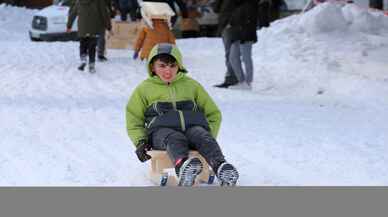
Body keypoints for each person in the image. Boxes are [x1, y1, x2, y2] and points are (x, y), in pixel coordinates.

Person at [126, 43, 239, 186]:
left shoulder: (191, 86)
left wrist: (208, 133)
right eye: (162, 65)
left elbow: (213, 113)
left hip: (191, 130)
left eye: (172, 65)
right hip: (161, 134)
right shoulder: (144, 89)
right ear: (152, 67)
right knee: (174, 137)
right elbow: (133, 118)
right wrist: (140, 141)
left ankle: (221, 167)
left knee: (201, 134)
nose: (168, 70)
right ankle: (184, 167)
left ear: (179, 66)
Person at [67, 0, 112, 73]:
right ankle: (91, 65)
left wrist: (69, 26)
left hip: (82, 27)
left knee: (83, 44)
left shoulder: (79, 1)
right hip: (94, 27)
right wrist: (109, 27)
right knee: (92, 47)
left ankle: (83, 59)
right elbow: (104, 13)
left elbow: (73, 13)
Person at [228, 0, 259, 90]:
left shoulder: (251, 4)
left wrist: (245, 35)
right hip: (236, 35)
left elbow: (251, 21)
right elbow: (234, 20)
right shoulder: (237, 5)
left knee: (246, 58)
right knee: (232, 58)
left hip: (246, 36)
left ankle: (248, 83)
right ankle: (241, 81)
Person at [212, 0, 239, 88]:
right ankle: (233, 76)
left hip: (231, 26)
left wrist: (230, 23)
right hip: (224, 26)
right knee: (229, 53)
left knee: (231, 53)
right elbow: (216, 9)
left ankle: (232, 78)